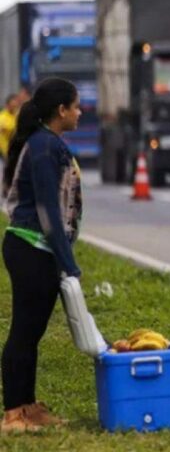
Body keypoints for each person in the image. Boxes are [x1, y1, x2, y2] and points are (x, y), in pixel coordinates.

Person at [1, 78, 83, 432]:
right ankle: (13, 413)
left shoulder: (49, 144)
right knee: (23, 331)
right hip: (30, 246)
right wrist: (69, 264)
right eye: (76, 106)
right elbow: (49, 210)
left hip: (39, 248)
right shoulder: (45, 147)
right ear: (61, 110)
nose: (81, 112)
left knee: (32, 333)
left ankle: (28, 406)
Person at [0, 94, 20, 160]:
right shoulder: (2, 117)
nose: (14, 108)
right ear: (7, 105)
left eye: (15, 106)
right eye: (13, 106)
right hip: (3, 153)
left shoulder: (17, 116)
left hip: (14, 152)